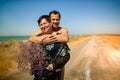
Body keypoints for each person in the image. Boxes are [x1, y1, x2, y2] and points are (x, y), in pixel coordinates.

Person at [29, 10, 69, 80]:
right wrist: (42, 40)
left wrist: (49, 37)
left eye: (57, 19)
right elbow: (31, 38)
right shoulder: (44, 28)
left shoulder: (62, 29)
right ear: (50, 20)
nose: (55, 21)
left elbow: (65, 38)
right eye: (53, 19)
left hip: (58, 60)